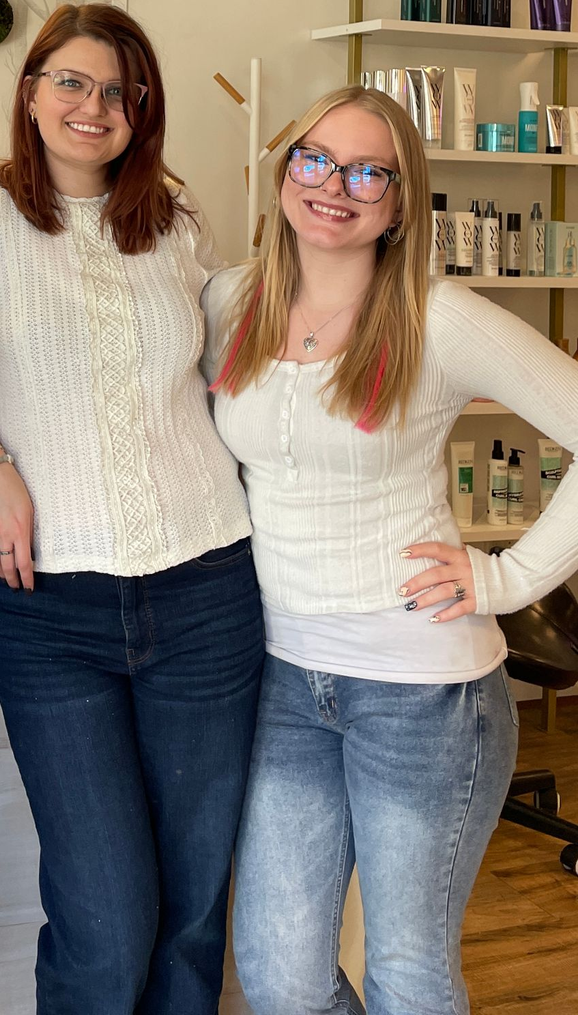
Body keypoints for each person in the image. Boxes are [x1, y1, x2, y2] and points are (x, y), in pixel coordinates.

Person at [204, 85, 578, 1015]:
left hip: (424, 695)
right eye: (316, 158)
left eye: (371, 170)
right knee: (282, 976)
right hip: (284, 677)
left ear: (402, 200)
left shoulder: (437, 317)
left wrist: (510, 577)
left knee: (407, 975)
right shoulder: (230, 300)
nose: (337, 185)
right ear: (284, 168)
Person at [0, 2, 262, 1015]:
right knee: (104, 915)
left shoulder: (173, 214)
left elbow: (219, 369)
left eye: (117, 89)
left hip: (205, 587)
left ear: (140, 109)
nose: (93, 104)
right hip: (51, 605)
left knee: (192, 909)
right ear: (28, 93)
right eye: (70, 80)